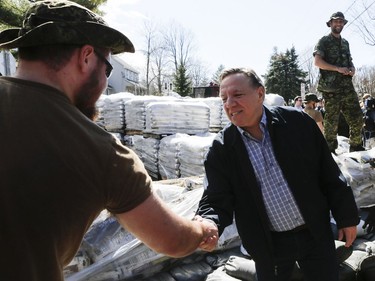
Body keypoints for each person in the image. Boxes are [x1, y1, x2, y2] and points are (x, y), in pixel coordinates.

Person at [0, 1, 218, 281]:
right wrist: (202, 230)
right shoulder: (103, 153)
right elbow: (172, 240)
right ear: (86, 57)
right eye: (108, 70)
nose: (104, 83)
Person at [196, 67, 359, 281]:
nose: (229, 104)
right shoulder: (223, 148)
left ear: (260, 94)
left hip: (314, 233)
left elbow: (328, 173)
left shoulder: (296, 123)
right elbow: (217, 197)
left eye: (237, 95)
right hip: (268, 246)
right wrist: (209, 223)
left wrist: (346, 217)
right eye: (224, 98)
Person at [313, 11, 365, 153]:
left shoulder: (345, 43)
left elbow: (349, 61)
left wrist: (352, 69)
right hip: (331, 89)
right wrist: (337, 69)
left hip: (347, 87)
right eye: (336, 21)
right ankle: (329, 150)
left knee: (357, 117)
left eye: (341, 21)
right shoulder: (324, 41)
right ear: (330, 23)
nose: (338, 24)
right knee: (331, 122)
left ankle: (355, 146)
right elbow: (317, 62)